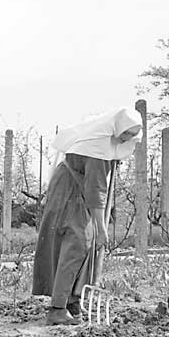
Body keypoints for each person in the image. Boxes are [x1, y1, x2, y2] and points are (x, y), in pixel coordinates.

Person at [32, 107, 142, 325]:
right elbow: (95, 191)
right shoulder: (98, 148)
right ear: (117, 126)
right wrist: (101, 229)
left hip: (73, 189)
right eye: (126, 133)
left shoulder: (105, 142)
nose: (126, 138)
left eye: (131, 136)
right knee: (78, 243)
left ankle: (73, 300)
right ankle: (57, 308)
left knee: (86, 245)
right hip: (70, 192)